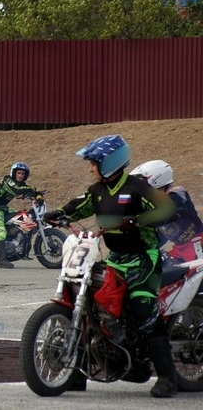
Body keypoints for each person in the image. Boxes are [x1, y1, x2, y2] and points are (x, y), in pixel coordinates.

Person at [43, 134, 178, 398]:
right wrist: (57, 213)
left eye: (93, 163)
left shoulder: (137, 187)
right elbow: (78, 205)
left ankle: (167, 377)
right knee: (89, 307)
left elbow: (167, 209)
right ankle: (75, 375)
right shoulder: (98, 191)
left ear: (108, 163)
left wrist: (138, 220)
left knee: (143, 308)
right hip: (115, 259)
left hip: (144, 258)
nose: (90, 168)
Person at [130, 159, 203, 265]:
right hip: (180, 249)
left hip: (197, 244)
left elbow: (167, 213)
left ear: (156, 178)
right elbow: (158, 236)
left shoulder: (176, 193)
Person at [0, 162, 42, 268]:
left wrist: (38, 195)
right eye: (19, 173)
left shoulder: (22, 185)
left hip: (3, 208)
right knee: (0, 230)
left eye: (22, 174)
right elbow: (16, 189)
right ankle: (1, 260)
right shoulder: (8, 180)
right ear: (13, 173)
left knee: (21, 217)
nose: (20, 175)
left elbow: (31, 190)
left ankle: (13, 242)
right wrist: (33, 189)